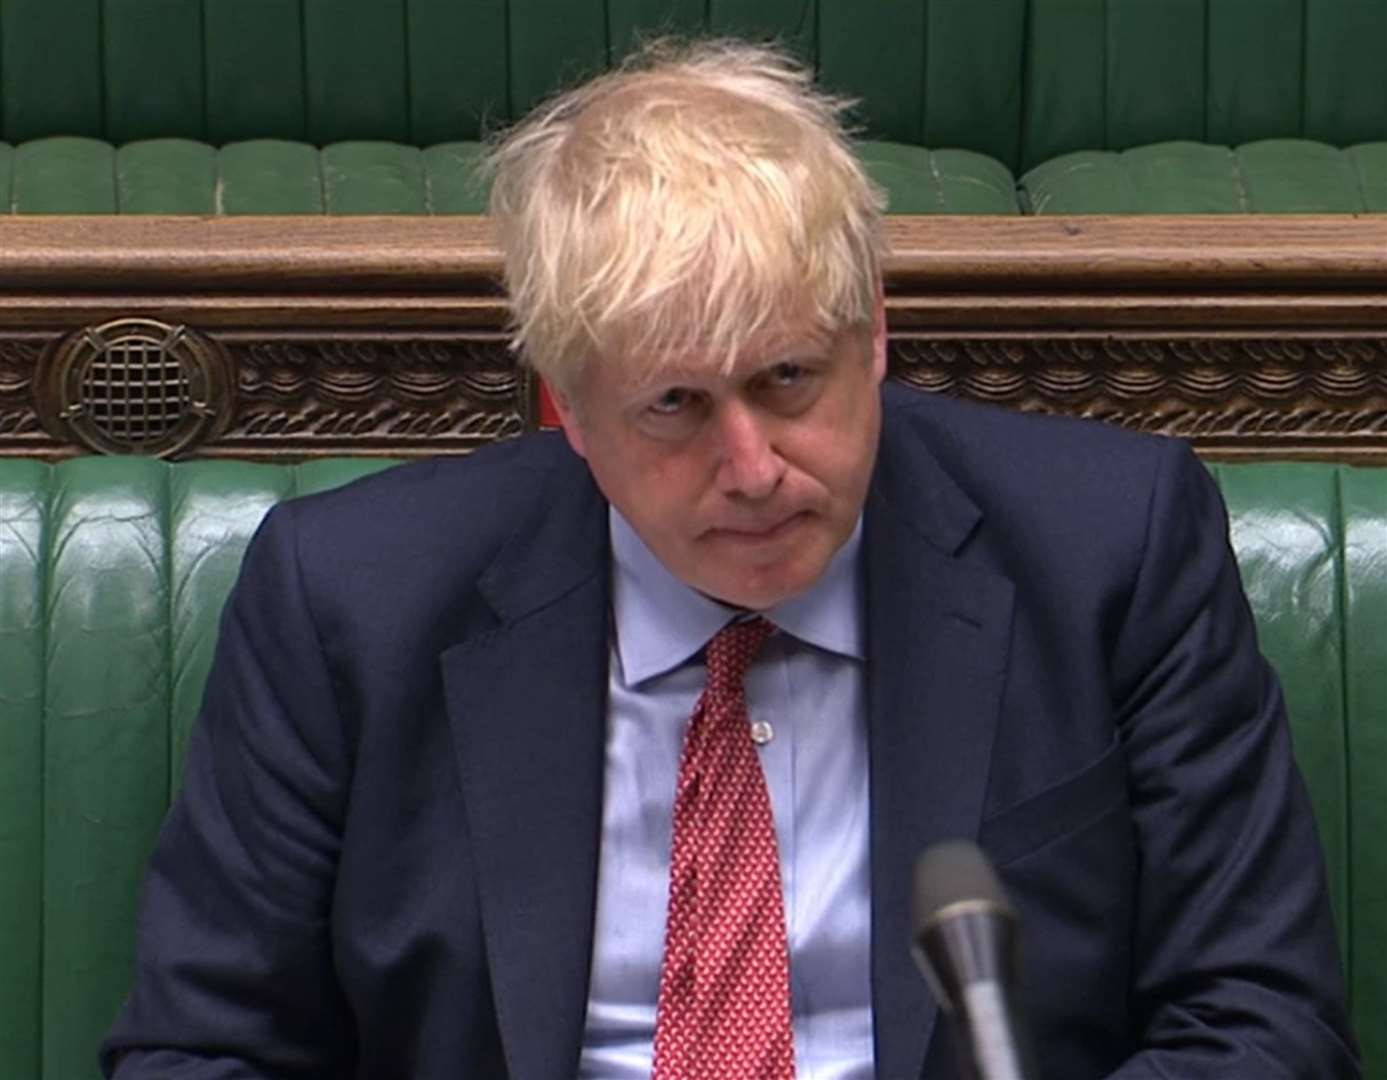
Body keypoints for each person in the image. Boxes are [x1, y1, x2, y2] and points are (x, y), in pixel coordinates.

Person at [102, 39, 1358, 1079]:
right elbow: (204, 1051)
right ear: (569, 415)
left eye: (787, 379)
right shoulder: (351, 600)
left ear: (872, 334)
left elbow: (1260, 1023)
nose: (754, 465)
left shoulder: (1110, 548)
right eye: (675, 408)